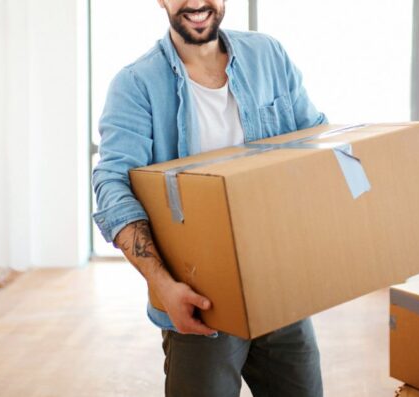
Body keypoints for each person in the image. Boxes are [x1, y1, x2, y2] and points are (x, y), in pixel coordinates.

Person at [91, 0, 327, 395]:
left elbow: (313, 140)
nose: (197, 3)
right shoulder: (136, 84)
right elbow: (113, 187)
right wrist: (164, 287)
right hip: (197, 299)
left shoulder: (268, 55)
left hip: (280, 285)